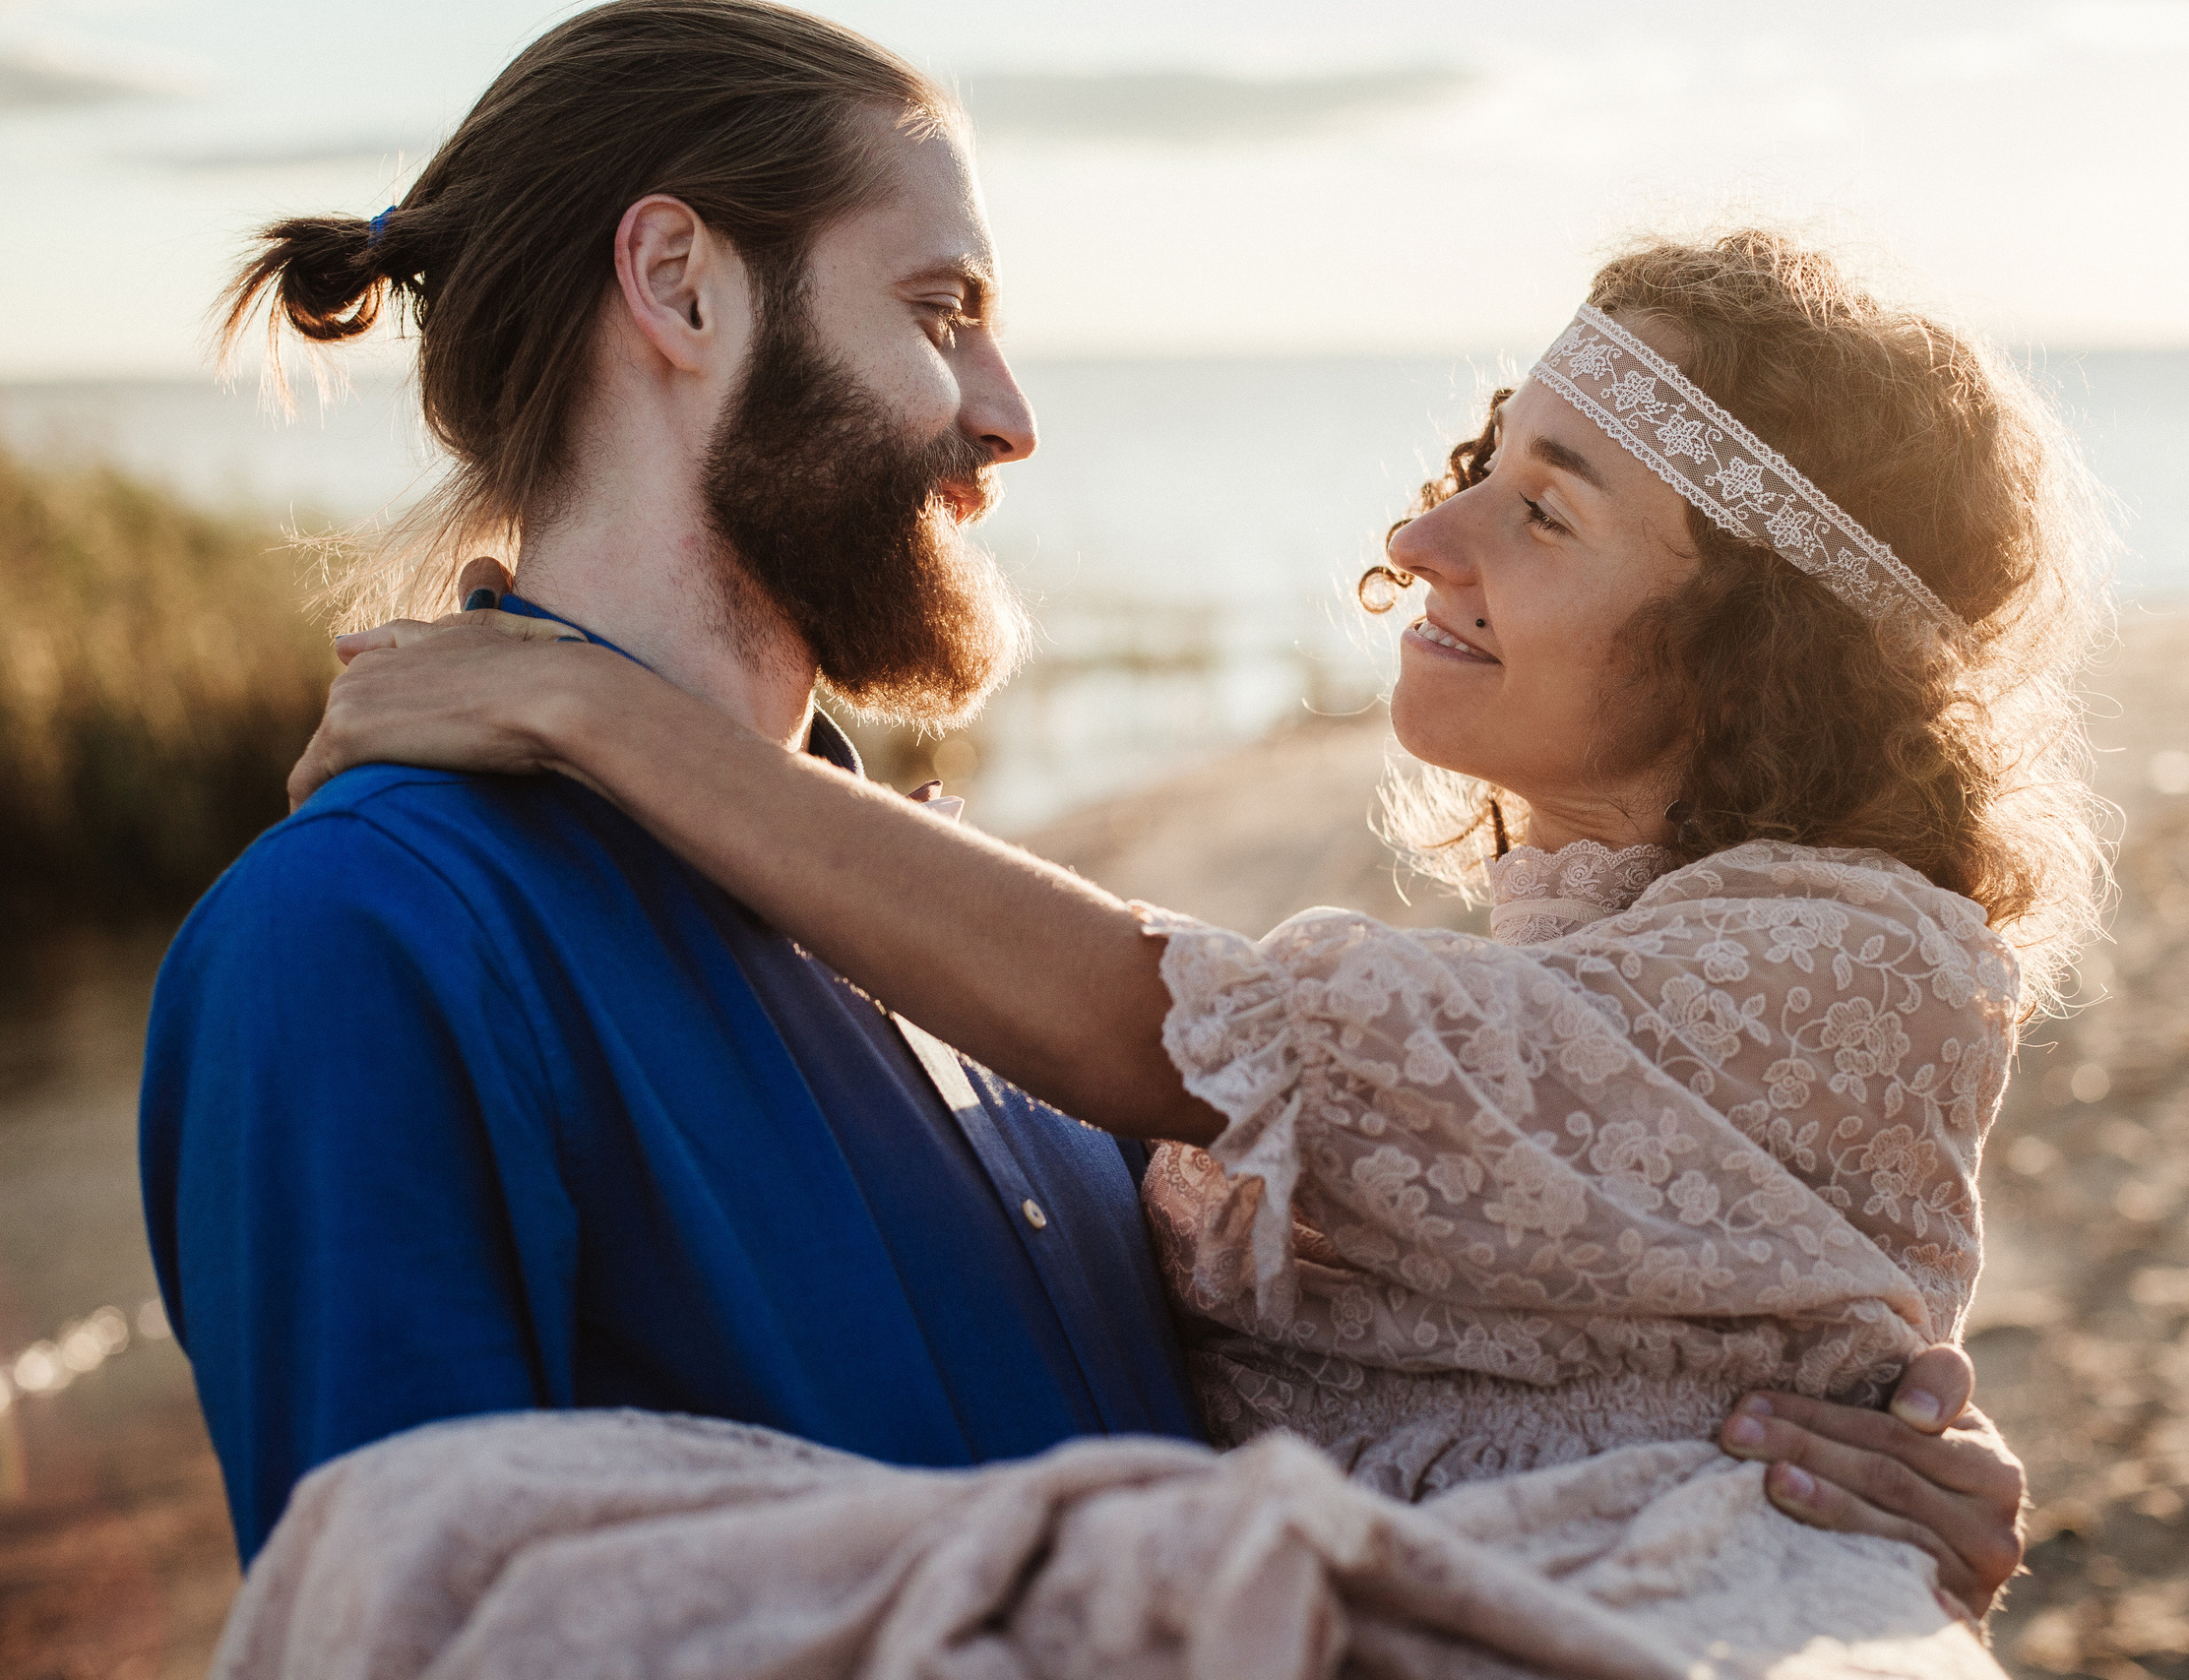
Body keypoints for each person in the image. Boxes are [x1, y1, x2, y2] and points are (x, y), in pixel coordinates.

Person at [143, 0, 2032, 1648]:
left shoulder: (988, 989)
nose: (1010, 414)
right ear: (682, 287)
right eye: (941, 310)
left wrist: (1790, 1458)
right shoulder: (359, 944)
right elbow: (407, 1618)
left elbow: (1403, 1403)